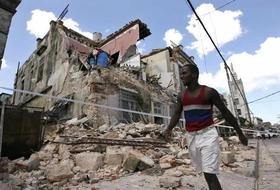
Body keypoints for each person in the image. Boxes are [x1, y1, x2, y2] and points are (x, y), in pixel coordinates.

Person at [163, 64, 248, 190]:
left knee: (209, 174)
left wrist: (239, 132)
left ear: (194, 75)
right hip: (191, 137)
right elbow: (176, 114)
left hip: (208, 136)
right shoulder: (181, 96)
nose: (181, 76)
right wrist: (168, 129)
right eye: (181, 73)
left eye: (184, 73)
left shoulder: (209, 92)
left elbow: (225, 112)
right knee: (204, 171)